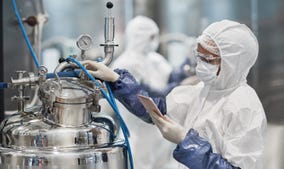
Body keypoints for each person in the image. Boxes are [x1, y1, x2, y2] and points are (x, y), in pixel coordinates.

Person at [83, 19, 267, 169]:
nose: (200, 64)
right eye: (198, 57)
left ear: (232, 62)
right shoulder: (203, 91)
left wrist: (185, 141)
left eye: (208, 59)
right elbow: (157, 109)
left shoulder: (244, 106)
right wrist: (117, 79)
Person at [107, 16, 182, 169]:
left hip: (160, 134)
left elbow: (172, 78)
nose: (155, 41)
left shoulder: (155, 59)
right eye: (151, 37)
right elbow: (145, 97)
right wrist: (181, 87)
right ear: (139, 37)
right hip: (137, 134)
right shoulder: (125, 63)